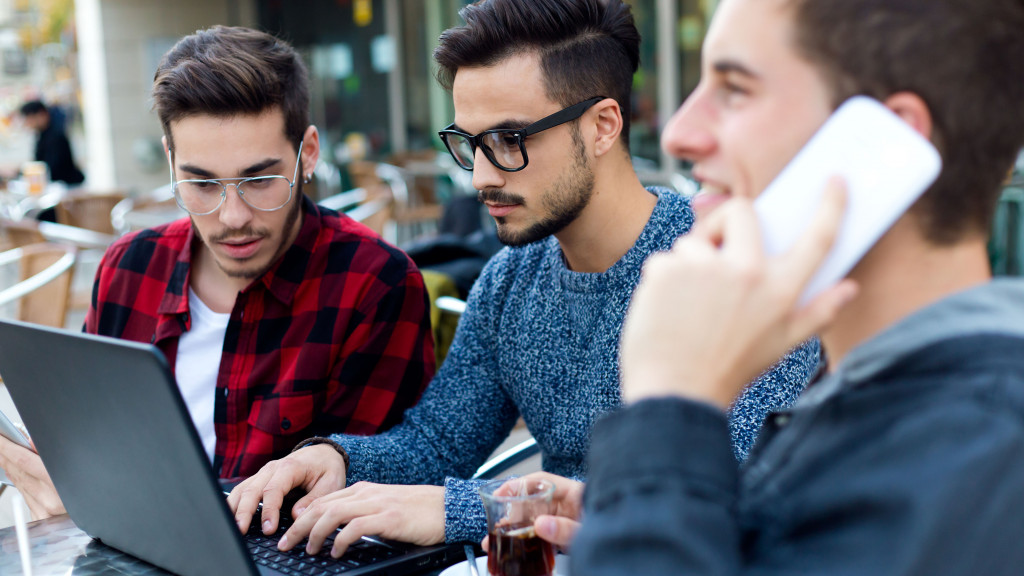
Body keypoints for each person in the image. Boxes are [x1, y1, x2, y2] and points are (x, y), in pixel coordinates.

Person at [227, 0, 819, 559]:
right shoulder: (512, 277)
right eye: (469, 143)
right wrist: (335, 459)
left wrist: (468, 510)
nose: (480, 176)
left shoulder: (728, 267)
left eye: (508, 141)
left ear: (603, 126)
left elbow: (720, 498)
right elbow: (440, 442)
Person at [564, 0, 1024, 573]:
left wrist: (667, 411)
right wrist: (647, 511)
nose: (679, 133)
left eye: (734, 88)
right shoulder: (905, 405)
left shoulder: (977, 460)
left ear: (890, 143)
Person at [0, 26, 435, 521]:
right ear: (170, 161)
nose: (232, 217)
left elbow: (361, 501)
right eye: (201, 183)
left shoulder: (375, 283)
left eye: (260, 179)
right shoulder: (128, 268)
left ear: (308, 153)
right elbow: (91, 441)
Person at [19, 99, 85, 186]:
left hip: (66, 186)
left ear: (41, 115)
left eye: (29, 118)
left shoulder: (56, 135)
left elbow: (52, 168)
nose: (27, 123)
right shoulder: (42, 135)